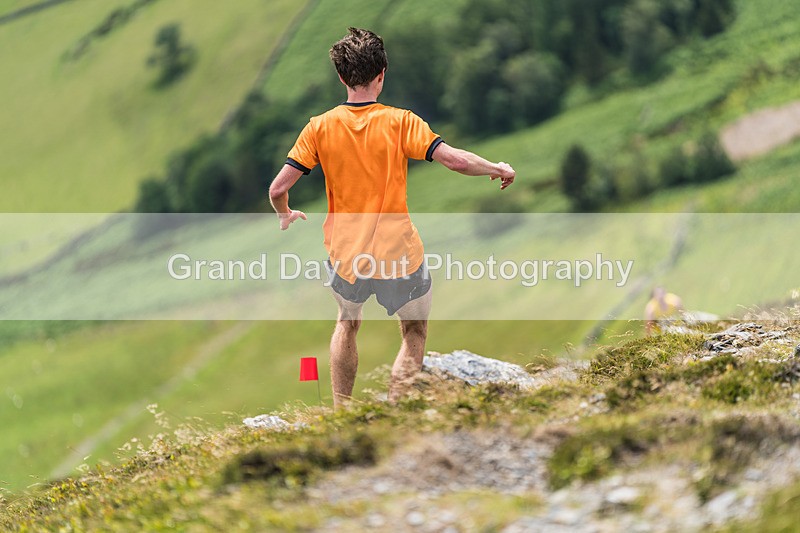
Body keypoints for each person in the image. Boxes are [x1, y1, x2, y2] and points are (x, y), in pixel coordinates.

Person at [268, 27, 516, 407]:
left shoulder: (318, 127)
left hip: (345, 251)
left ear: (341, 77)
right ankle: (398, 409)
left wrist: (284, 214)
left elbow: (277, 189)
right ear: (382, 73)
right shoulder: (401, 122)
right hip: (397, 250)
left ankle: (341, 413)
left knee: (346, 324)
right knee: (414, 330)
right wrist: (496, 168)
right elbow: (454, 160)